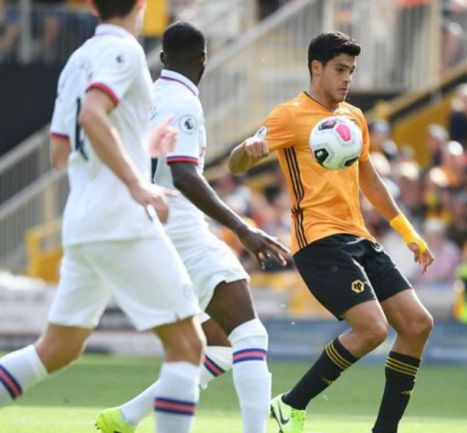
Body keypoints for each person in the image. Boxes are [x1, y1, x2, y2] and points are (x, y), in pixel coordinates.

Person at [0, 2, 207, 433]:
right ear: (142, 5)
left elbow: (61, 153)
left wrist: (139, 147)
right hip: (121, 218)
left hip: (83, 221)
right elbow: (93, 115)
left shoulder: (77, 60)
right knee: (188, 345)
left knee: (57, 348)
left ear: (92, 5)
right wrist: (137, 182)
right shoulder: (127, 50)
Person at [228, 31, 435, 433]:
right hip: (318, 242)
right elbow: (238, 165)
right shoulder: (288, 115)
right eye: (340, 70)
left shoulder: (353, 117)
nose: (347, 79)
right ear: (316, 69)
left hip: (359, 238)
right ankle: (291, 404)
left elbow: (369, 179)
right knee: (373, 328)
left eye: (352, 72)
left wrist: (407, 231)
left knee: (418, 324)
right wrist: (245, 150)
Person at [94, 21, 291, 433]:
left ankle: (126, 417)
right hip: (180, 227)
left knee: (213, 347)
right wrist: (242, 227)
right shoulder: (183, 102)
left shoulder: (146, 96)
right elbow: (182, 173)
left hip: (146, 227)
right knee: (251, 335)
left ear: (163, 57)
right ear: (204, 59)